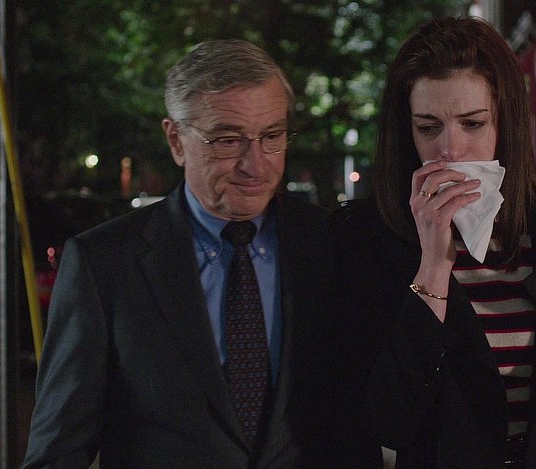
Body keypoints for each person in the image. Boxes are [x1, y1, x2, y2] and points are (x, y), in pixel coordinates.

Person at [23, 39, 373, 468]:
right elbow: (58, 451)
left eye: (272, 136)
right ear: (176, 140)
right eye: (227, 141)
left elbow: (356, 427)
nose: (256, 165)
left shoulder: (332, 245)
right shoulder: (105, 264)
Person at [331, 17, 536, 468]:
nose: (451, 149)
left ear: (504, 124)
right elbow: (389, 420)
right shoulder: (369, 240)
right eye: (429, 127)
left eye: (473, 123)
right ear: (407, 132)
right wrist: (433, 265)